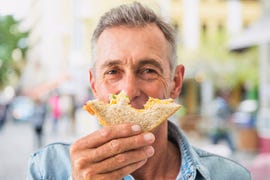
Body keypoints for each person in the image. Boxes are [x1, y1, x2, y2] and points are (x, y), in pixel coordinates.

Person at [27, 2, 250, 179]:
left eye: (148, 70)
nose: (129, 90)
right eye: (113, 72)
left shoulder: (231, 176)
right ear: (94, 85)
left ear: (175, 82)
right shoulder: (47, 169)